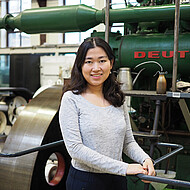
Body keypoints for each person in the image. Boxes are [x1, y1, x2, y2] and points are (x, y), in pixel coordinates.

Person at [59, 37, 155, 190]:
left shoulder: (117, 97)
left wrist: (145, 159)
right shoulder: (71, 99)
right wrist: (124, 167)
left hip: (117, 180)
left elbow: (128, 142)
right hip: (85, 181)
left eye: (102, 61)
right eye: (89, 62)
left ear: (111, 64)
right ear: (80, 65)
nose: (96, 68)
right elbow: (76, 150)